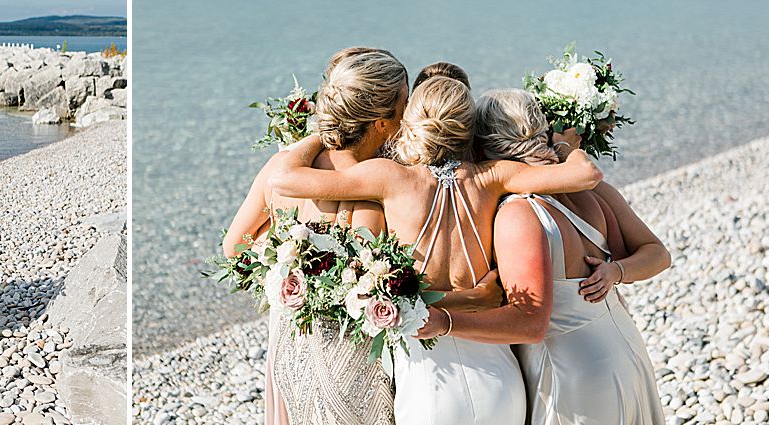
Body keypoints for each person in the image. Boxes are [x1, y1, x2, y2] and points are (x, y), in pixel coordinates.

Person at [269, 75, 603, 424]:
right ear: (468, 129)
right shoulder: (493, 177)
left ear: (411, 123)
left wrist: (322, 134)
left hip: (428, 379)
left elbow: (285, 178)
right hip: (499, 376)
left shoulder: (389, 178)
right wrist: (565, 145)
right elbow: (585, 174)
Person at [414, 88, 667, 423]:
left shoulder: (520, 214)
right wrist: (616, 271)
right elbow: (658, 254)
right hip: (623, 346)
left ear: (485, 146)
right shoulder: (591, 190)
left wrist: (445, 322)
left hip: (573, 371)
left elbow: (531, 322)